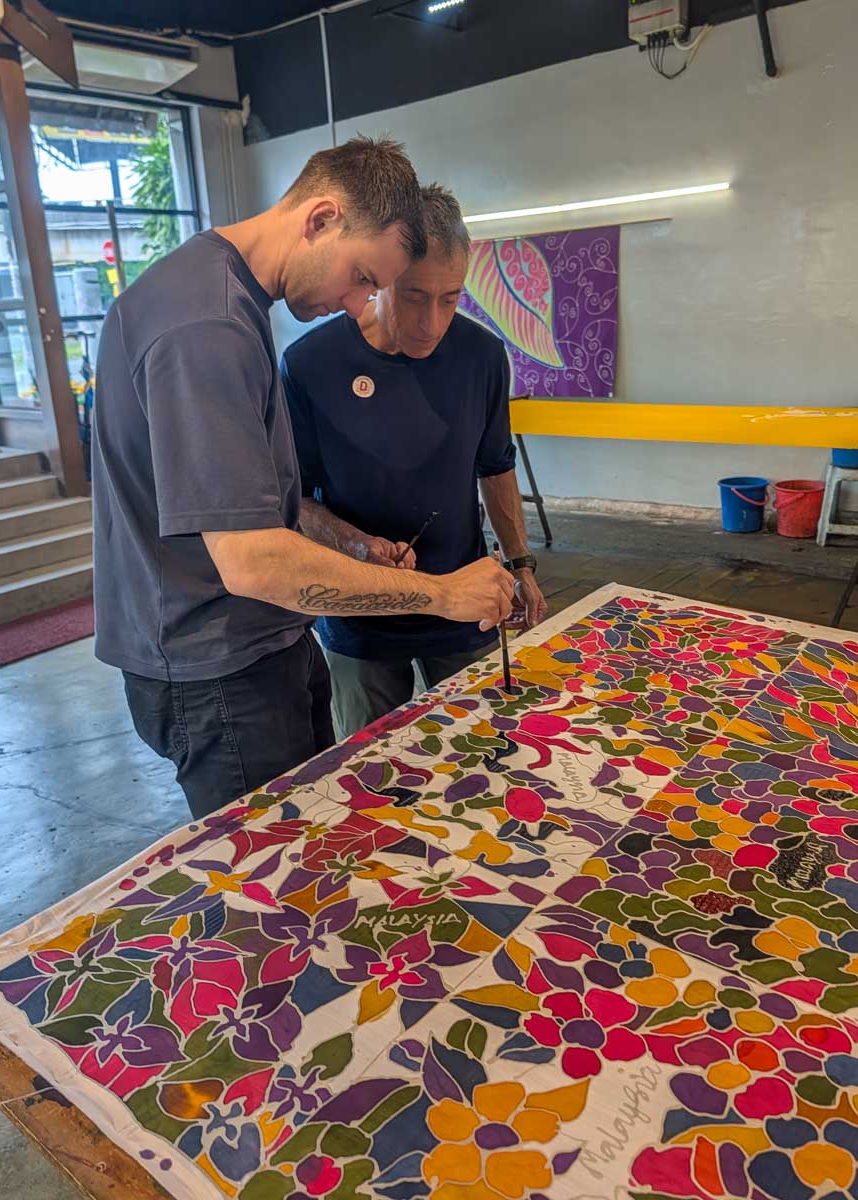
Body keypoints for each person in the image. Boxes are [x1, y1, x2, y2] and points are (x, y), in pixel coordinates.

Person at [92, 139, 513, 820]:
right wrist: (438, 594)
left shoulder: (223, 299)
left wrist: (349, 544)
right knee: (273, 890)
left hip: (263, 646)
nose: (357, 306)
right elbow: (254, 561)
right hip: (220, 667)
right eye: (361, 277)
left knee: (317, 842)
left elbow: (269, 505)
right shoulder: (205, 327)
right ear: (320, 219)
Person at [281, 184, 547, 739]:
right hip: (361, 617)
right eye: (413, 296)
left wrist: (521, 565)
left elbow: (495, 466)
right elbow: (296, 499)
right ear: (379, 279)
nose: (432, 322)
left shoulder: (481, 356)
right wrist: (355, 543)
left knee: (479, 754)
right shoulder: (311, 364)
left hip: (464, 604)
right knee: (372, 773)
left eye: (450, 298)